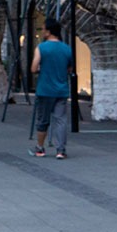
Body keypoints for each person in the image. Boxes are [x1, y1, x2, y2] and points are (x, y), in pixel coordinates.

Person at [30, 15, 74, 158]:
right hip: (61, 90)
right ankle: (60, 150)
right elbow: (70, 69)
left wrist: (41, 69)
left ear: (48, 32)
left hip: (44, 89)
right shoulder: (67, 49)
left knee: (43, 120)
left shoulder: (41, 48)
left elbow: (33, 68)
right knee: (60, 120)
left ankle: (40, 148)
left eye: (43, 29)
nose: (42, 32)